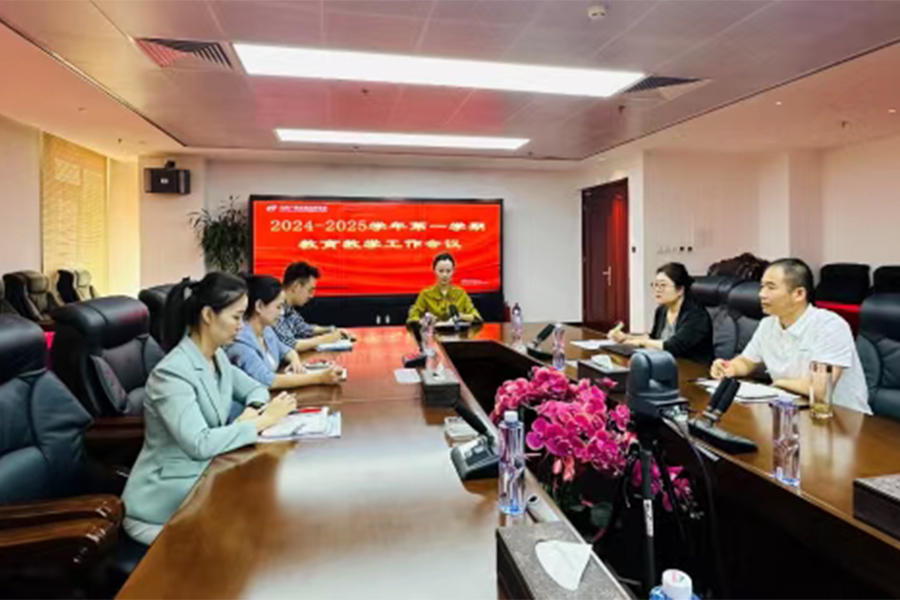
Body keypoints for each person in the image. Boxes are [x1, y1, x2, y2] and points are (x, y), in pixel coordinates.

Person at [121, 273, 297, 545]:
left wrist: (254, 409)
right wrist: (259, 422)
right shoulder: (172, 373)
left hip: (207, 480)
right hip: (165, 507)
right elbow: (199, 443)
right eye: (236, 317)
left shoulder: (216, 358)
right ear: (207, 315)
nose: (241, 326)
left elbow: (256, 389)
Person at [710, 258, 871, 414]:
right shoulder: (768, 324)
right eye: (762, 287)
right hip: (791, 411)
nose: (761, 294)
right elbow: (747, 362)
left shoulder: (829, 326)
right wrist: (729, 368)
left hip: (841, 417)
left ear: (799, 294)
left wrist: (780, 383)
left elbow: (820, 389)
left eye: (771, 287)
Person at [228, 275, 344, 390]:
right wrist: (319, 378)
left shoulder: (267, 330)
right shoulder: (240, 342)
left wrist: (295, 361)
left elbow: (287, 349)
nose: (282, 313)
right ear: (259, 306)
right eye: (278, 307)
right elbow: (269, 381)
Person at [609, 262, 714, 364]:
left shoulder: (696, 315)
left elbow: (672, 346)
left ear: (680, 290)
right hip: (667, 363)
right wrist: (626, 337)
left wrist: (640, 342)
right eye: (655, 285)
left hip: (693, 368)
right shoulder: (662, 310)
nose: (657, 290)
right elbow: (654, 338)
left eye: (663, 285)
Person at [273, 262, 354, 353]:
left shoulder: (289, 308)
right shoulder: (274, 307)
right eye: (310, 290)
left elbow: (303, 328)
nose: (311, 296)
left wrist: (331, 330)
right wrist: (327, 339)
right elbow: (291, 345)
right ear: (296, 286)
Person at [407, 253, 483, 324]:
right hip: (433, 332)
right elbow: (412, 318)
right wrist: (426, 320)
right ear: (434, 271)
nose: (444, 275)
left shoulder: (460, 293)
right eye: (441, 271)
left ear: (453, 271)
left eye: (448, 271)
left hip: (457, 333)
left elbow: (476, 317)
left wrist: (460, 316)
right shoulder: (425, 294)